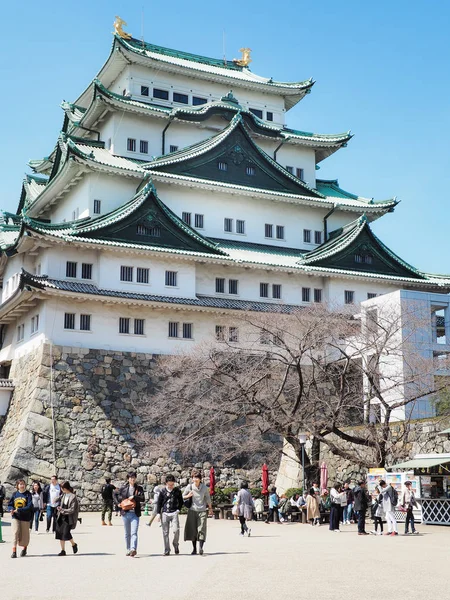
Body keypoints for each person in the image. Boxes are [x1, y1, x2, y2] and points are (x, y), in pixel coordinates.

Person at [183, 469, 213, 555]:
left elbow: (208, 499)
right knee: (193, 530)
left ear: (200, 479)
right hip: (192, 510)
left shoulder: (205, 488)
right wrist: (188, 495)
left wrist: (210, 509)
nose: (195, 479)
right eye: (194, 477)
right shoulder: (190, 487)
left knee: (201, 529)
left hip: (202, 511)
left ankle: (201, 548)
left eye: (197, 478)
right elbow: (182, 496)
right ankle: (194, 549)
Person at [119, 471, 145, 557]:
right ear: (128, 479)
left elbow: (143, 498)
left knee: (134, 532)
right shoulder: (123, 488)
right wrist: (118, 505)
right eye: (131, 478)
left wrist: (134, 497)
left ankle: (133, 549)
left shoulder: (139, 488)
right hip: (125, 513)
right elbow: (117, 496)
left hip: (135, 513)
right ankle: (128, 549)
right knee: (127, 533)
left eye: (134, 477)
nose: (132, 479)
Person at [157, 474, 183, 555]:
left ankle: (175, 544)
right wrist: (158, 513)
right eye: (169, 484)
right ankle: (167, 549)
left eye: (172, 484)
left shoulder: (177, 491)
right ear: (166, 483)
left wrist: (178, 509)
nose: (171, 486)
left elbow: (181, 501)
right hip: (165, 513)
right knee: (165, 532)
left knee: (176, 530)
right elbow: (159, 503)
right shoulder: (162, 491)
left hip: (174, 513)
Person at [8, 479, 33, 558]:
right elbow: (10, 504)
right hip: (15, 517)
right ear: (17, 486)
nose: (22, 485)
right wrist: (11, 509)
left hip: (25, 517)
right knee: (15, 533)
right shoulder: (15, 494)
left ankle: (24, 548)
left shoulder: (28, 494)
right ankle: (14, 551)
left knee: (24, 535)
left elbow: (29, 506)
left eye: (23, 484)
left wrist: (19, 510)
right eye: (20, 484)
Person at [55, 481, 79, 556]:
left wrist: (62, 510)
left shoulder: (73, 497)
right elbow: (58, 499)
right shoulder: (63, 495)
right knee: (60, 533)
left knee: (66, 533)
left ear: (64, 488)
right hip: (61, 516)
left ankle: (73, 544)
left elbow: (72, 509)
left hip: (68, 517)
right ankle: (63, 550)